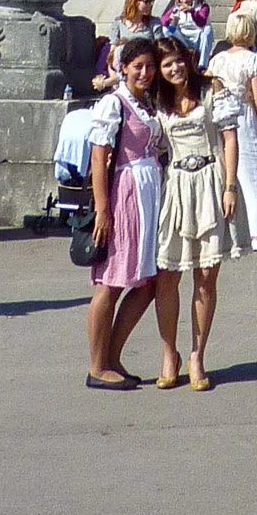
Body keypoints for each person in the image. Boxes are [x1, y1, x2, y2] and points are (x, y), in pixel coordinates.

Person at [153, 33, 240, 388]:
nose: (175, 68)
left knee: (206, 276)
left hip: (211, 182)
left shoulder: (211, 88)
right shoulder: (157, 100)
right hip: (175, 186)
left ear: (188, 59)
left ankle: (197, 355)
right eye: (167, 64)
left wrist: (230, 186)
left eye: (178, 60)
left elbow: (230, 137)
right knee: (168, 275)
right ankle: (168, 353)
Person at [84, 35, 167, 389]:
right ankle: (96, 365)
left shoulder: (147, 103)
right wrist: (103, 209)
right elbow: (99, 159)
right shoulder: (113, 104)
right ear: (124, 68)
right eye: (138, 67)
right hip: (125, 192)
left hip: (150, 192)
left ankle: (112, 355)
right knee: (111, 282)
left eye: (150, 66)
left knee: (146, 282)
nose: (145, 73)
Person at [210, 9, 257, 252]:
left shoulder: (217, 58)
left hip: (220, 114)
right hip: (243, 114)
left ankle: (229, 229)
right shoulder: (252, 59)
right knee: (253, 173)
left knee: (227, 170)